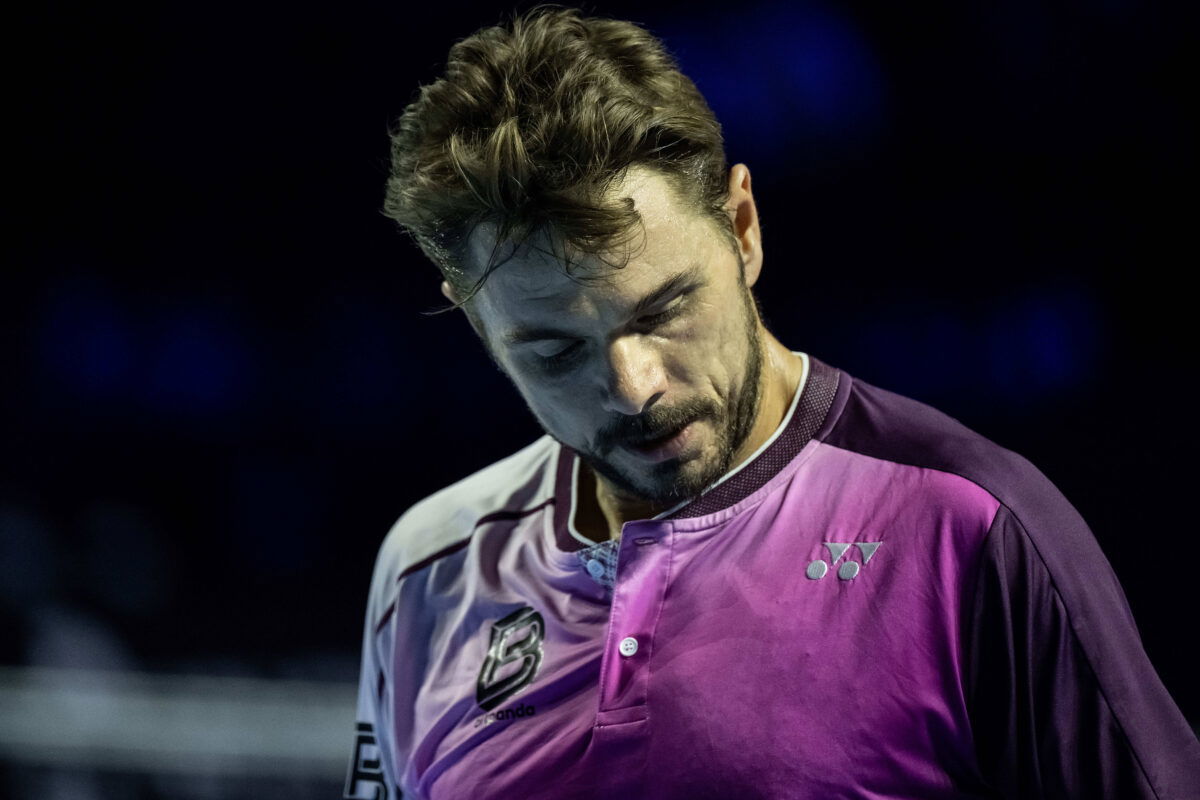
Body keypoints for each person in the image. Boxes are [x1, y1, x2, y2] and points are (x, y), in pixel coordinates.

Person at [344, 6, 1200, 799]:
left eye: (666, 307)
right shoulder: (426, 570)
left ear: (743, 227)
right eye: (556, 350)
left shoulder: (971, 525)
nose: (637, 387)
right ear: (475, 320)